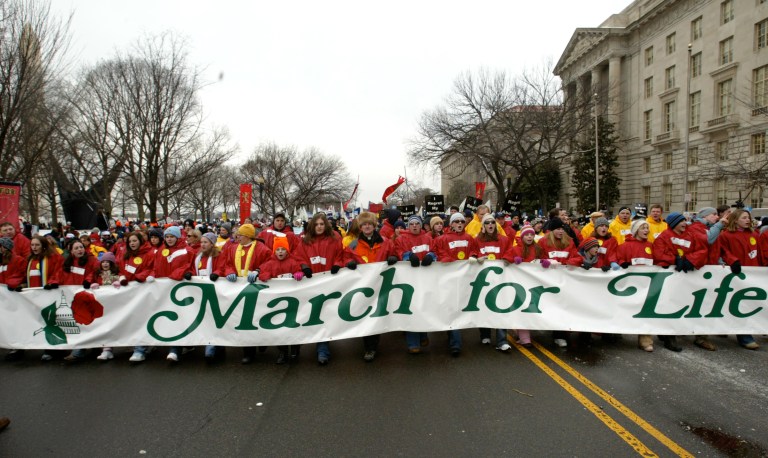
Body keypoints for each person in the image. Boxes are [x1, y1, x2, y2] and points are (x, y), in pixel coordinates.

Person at [294, 213, 350, 365]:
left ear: (326, 225)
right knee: (313, 315)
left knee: (324, 316)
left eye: (322, 224)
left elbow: (341, 254)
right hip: (311, 284)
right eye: (316, 224)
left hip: (329, 283)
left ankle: (323, 350)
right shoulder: (305, 241)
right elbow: (298, 257)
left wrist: (338, 263)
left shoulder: (335, 239)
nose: (319, 227)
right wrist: (304, 267)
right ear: (313, 226)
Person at [652, 212, 708, 352]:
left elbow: (702, 251)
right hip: (671, 278)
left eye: (685, 221)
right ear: (673, 224)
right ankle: (669, 337)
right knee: (670, 306)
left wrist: (690, 260)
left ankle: (674, 331)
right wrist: (674, 260)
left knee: (684, 304)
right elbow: (658, 253)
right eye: (681, 221)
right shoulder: (664, 236)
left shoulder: (691, 236)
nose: (685, 224)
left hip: (686, 277)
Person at [345, 211, 396, 361]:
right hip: (363, 287)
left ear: (374, 225)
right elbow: (344, 258)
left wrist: (394, 257)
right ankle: (369, 347)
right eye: (364, 224)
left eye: (369, 224)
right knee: (366, 315)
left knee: (378, 314)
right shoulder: (353, 244)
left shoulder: (386, 242)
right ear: (360, 227)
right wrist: (349, 263)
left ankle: (373, 344)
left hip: (381, 285)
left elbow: (395, 254)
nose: (367, 226)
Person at [431, 212, 479, 356]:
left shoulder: (470, 238)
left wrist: (474, 256)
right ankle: (455, 343)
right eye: (456, 221)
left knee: (459, 309)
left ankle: (453, 337)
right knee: (451, 309)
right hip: (448, 280)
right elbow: (436, 252)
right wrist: (448, 260)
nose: (459, 224)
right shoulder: (441, 239)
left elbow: (475, 250)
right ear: (451, 224)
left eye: (462, 221)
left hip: (465, 280)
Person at [222, 223, 272, 364]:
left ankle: (262, 342)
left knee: (259, 318)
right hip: (239, 290)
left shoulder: (261, 249)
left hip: (257, 290)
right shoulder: (232, 249)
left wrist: (258, 271)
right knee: (244, 321)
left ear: (248, 236)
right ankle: (248, 352)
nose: (237, 237)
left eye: (240, 235)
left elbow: (269, 263)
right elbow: (227, 264)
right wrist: (230, 272)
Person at [718, 209, 761, 350]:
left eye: (748, 217)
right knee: (739, 304)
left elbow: (759, 253)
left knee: (751, 304)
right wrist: (733, 261)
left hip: (753, 274)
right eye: (744, 218)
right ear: (735, 220)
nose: (748, 220)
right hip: (737, 274)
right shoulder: (726, 235)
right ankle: (744, 336)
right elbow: (723, 251)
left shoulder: (755, 234)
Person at [504, 223, 551, 347]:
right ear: (522, 236)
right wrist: (513, 260)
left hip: (534, 284)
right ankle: (525, 339)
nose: (530, 237)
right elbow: (505, 259)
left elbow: (542, 259)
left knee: (531, 308)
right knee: (522, 309)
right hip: (519, 284)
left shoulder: (538, 248)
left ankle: (523, 334)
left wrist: (544, 262)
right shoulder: (516, 248)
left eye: (532, 234)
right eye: (527, 235)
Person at [395, 215, 436, 353]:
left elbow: (435, 250)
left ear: (420, 225)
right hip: (409, 279)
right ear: (408, 225)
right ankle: (413, 343)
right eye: (411, 224)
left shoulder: (428, 238)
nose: (414, 226)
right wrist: (407, 256)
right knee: (412, 308)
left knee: (424, 306)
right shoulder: (401, 238)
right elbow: (398, 251)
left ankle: (423, 334)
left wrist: (431, 256)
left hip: (425, 279)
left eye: (416, 224)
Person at [474, 213, 512, 351]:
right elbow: (472, 253)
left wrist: (508, 258)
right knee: (484, 307)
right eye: (487, 222)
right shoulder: (477, 240)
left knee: (501, 309)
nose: (490, 225)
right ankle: (485, 334)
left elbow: (510, 252)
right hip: (483, 280)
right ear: (483, 226)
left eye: (492, 222)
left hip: (500, 280)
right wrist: (477, 257)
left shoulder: (503, 239)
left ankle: (502, 341)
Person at [615, 219, 655, 352]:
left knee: (645, 311)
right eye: (643, 228)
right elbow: (618, 258)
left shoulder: (651, 245)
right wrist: (622, 263)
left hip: (648, 285)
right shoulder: (626, 246)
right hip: (630, 286)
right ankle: (615, 332)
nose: (646, 230)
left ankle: (645, 340)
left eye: (647, 228)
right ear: (636, 230)